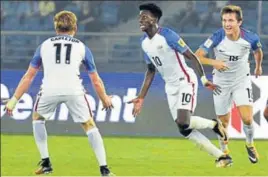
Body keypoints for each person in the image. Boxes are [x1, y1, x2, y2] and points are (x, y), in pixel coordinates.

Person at [4, 10, 114, 176]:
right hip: (74, 90)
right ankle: (104, 169)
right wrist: (104, 98)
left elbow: (29, 76)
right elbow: (95, 79)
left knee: (37, 119)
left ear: (56, 28)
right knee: (89, 126)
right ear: (75, 28)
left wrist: (14, 100)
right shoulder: (82, 47)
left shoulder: (44, 46)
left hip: (49, 90)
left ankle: (46, 162)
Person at [128, 3, 233, 167]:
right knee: (184, 129)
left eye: (144, 17)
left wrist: (203, 79)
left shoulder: (168, 35)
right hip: (170, 87)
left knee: (184, 121)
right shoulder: (144, 43)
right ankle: (222, 157)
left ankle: (214, 125)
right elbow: (150, 70)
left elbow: (192, 56)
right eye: (139, 16)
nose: (140, 19)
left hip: (185, 81)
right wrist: (141, 97)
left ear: (155, 19)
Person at [195, 5, 263, 164]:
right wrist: (214, 62)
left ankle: (250, 144)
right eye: (224, 20)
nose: (227, 24)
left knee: (247, 118)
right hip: (221, 83)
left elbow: (257, 51)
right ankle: (225, 153)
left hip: (241, 81)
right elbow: (197, 56)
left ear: (239, 22)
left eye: (231, 20)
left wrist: (258, 66)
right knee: (223, 123)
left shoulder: (250, 38)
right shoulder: (217, 36)